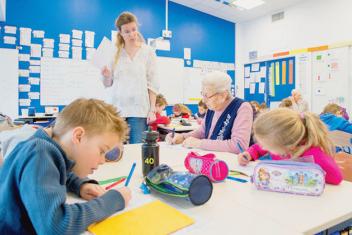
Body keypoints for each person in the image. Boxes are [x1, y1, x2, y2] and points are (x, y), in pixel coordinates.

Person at [0, 98, 132, 234]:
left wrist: (79, 185)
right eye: (102, 151)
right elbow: (56, 227)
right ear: (79, 136)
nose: (103, 160)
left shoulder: (44, 146)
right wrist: (112, 200)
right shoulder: (39, 154)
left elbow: (55, 171)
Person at [237, 108, 343, 185]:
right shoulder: (280, 142)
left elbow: (337, 178)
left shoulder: (315, 155)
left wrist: (311, 175)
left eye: (266, 146)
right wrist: (249, 154)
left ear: (289, 147)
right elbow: (258, 148)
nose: (263, 148)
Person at [101, 12, 159, 144]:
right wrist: (106, 75)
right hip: (117, 109)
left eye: (134, 29)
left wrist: (152, 109)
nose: (132, 34)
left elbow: (153, 83)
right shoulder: (115, 52)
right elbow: (108, 83)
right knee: (114, 150)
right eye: (126, 31)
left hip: (139, 110)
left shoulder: (147, 52)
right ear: (120, 33)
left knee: (137, 148)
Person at [166, 71, 253, 154]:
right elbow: (202, 132)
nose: (204, 100)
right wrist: (182, 137)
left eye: (207, 96)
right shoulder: (212, 107)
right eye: (202, 94)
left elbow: (239, 146)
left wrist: (199, 143)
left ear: (223, 95)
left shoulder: (242, 107)